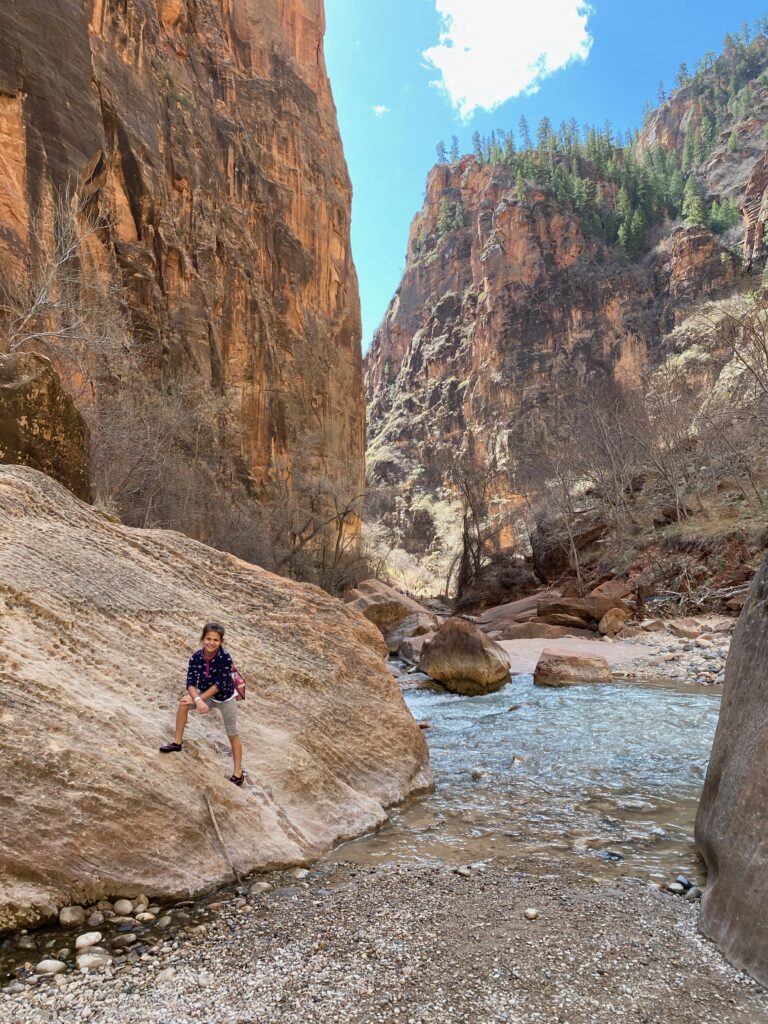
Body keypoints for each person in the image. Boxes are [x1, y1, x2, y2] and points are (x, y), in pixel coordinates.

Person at [159, 622, 245, 786]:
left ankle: (238, 773)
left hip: (226, 698)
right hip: (206, 695)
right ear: (202, 638)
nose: (211, 643)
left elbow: (220, 684)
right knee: (184, 703)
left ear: (221, 642)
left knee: (232, 733)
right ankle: (177, 743)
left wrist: (199, 699)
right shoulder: (196, 657)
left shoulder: (225, 658)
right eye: (208, 639)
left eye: (215, 640)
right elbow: (190, 682)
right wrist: (196, 699)